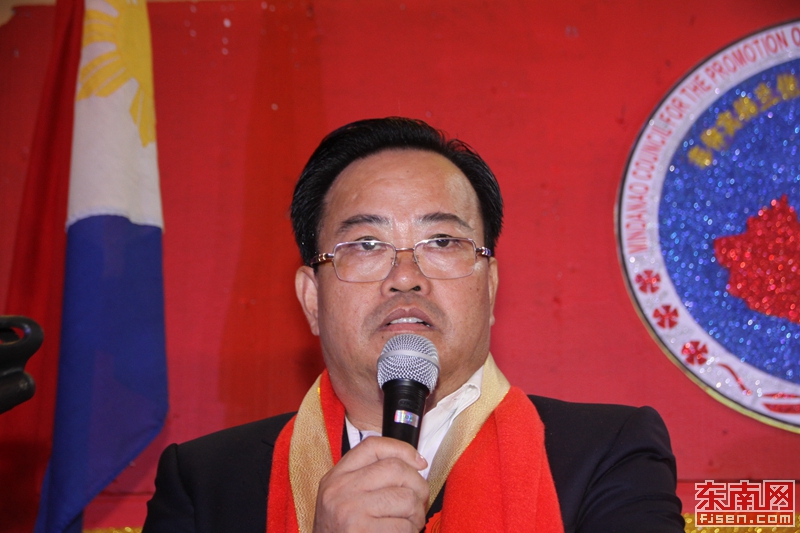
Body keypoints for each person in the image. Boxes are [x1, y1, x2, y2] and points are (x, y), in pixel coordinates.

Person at [142, 117, 685, 533]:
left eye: (441, 241)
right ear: (311, 300)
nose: (405, 277)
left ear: (490, 287)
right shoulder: (205, 481)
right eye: (366, 245)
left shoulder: (606, 452)